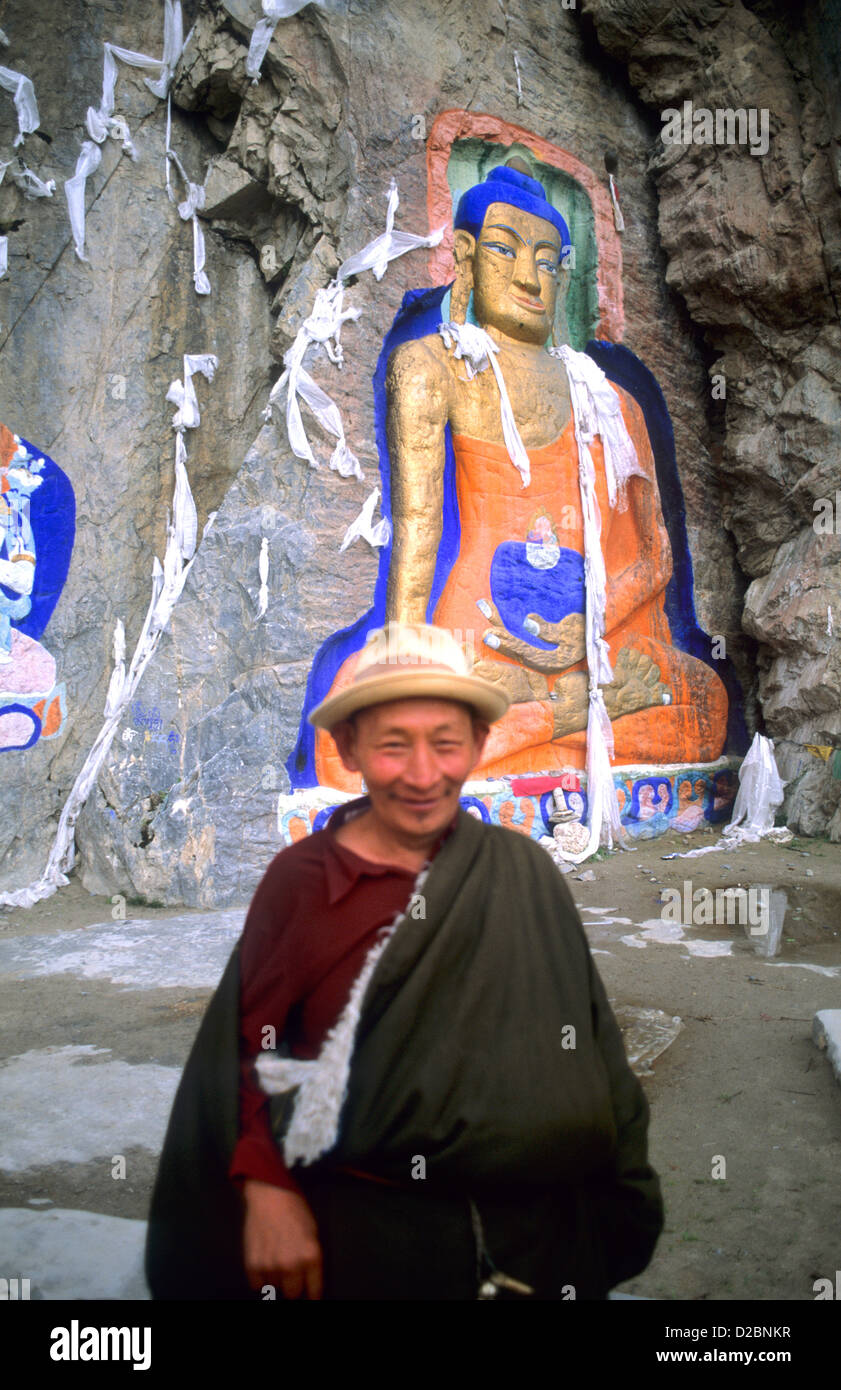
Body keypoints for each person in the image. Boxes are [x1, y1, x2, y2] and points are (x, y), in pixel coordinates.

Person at [146, 622, 664, 1301]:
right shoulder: (303, 886)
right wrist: (267, 1186)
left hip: (538, 1242)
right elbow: (247, 1057)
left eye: (446, 743)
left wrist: (622, 1188)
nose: (423, 775)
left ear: (478, 744)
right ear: (347, 748)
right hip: (373, 1245)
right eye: (393, 745)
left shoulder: (522, 869)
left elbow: (592, 1043)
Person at [313, 161, 728, 790]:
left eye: (547, 260)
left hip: (595, 646)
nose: (530, 278)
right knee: (353, 740)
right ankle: (578, 715)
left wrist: (589, 628)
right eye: (505, 251)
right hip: (481, 645)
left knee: (705, 701)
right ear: (466, 255)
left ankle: (547, 717)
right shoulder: (431, 365)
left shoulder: (610, 401)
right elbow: (418, 532)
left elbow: (654, 555)